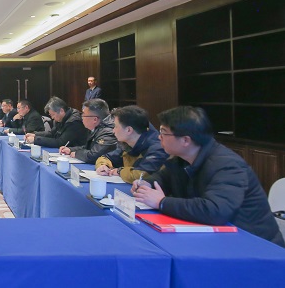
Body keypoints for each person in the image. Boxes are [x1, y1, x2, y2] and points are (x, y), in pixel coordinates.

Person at [133, 106, 284, 247]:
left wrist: (162, 202)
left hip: (254, 246)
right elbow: (163, 178)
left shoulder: (228, 165)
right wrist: (147, 184)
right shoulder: (182, 159)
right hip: (218, 238)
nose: (159, 137)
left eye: (164, 132)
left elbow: (215, 211)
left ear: (185, 140)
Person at [95, 105, 168, 183]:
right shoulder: (128, 143)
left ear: (129, 130)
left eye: (116, 126)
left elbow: (142, 176)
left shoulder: (157, 148)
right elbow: (106, 157)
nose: (113, 131)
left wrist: (120, 171)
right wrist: (103, 165)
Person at [59, 98, 117, 163]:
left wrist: (76, 154)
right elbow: (88, 147)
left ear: (95, 119)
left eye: (84, 115)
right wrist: (70, 150)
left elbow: (94, 155)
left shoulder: (108, 132)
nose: (81, 117)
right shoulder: (97, 128)